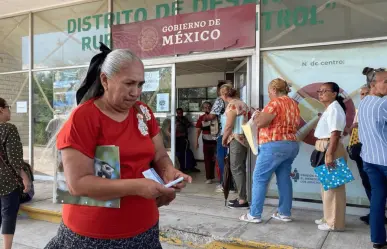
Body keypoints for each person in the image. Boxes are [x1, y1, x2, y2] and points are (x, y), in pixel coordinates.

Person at [44, 44, 191, 249]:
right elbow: (78, 184)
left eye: (140, 84)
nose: (136, 92)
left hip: (145, 226)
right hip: (94, 234)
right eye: (129, 83)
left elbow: (158, 155)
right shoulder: (84, 117)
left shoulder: (143, 112)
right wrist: (138, 186)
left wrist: (169, 172)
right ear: (105, 80)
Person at [239, 78, 300, 223]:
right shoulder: (293, 104)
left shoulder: (275, 103)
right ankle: (284, 212)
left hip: (273, 144)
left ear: (273, 90)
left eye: (269, 92)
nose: (269, 95)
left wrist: (258, 115)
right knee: (284, 178)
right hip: (291, 144)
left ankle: (254, 214)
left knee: (260, 178)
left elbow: (261, 123)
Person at [358, 67, 387, 249]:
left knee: (377, 199)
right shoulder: (383, 104)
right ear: (373, 84)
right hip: (384, 160)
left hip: (369, 158)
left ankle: (377, 240)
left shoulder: (364, 102)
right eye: (386, 81)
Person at [313, 82, 347, 231]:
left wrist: (330, 154)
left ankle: (334, 223)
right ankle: (328, 217)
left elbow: (335, 133)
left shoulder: (335, 108)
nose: (321, 93)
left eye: (325, 91)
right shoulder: (329, 108)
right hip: (325, 147)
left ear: (334, 94)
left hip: (331, 148)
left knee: (334, 188)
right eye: (319, 91)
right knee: (327, 187)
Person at [0, 98, 31, 249]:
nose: (9, 110)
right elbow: (15, 159)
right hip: (6, 182)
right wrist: (25, 177)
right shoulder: (8, 129)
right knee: (8, 215)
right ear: (1, 109)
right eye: (8, 107)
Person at [219, 83, 249, 209]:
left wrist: (224, 139)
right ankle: (242, 196)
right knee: (240, 167)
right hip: (244, 139)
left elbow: (229, 126)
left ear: (225, 95)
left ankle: (242, 200)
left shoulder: (232, 105)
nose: (221, 97)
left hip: (236, 138)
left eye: (221, 95)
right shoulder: (242, 103)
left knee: (236, 168)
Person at [203, 80, 229, 192]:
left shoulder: (220, 100)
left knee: (221, 159)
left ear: (220, 90)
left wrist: (207, 115)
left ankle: (225, 184)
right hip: (233, 134)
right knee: (230, 160)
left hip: (222, 134)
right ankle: (231, 184)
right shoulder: (234, 101)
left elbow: (212, 116)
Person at [195, 102, 216, 184]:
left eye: (209, 106)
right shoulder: (201, 118)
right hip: (206, 142)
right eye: (205, 107)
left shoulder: (215, 117)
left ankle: (217, 177)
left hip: (215, 141)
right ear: (202, 109)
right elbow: (198, 130)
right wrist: (196, 142)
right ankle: (209, 178)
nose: (207, 108)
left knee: (215, 159)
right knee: (207, 160)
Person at [175, 108, 199, 173]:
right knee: (181, 153)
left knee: (187, 152)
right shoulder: (174, 119)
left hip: (184, 138)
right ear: (177, 113)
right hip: (177, 139)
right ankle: (183, 167)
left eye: (181, 113)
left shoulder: (184, 119)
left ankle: (190, 166)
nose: (180, 114)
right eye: (179, 113)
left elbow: (188, 125)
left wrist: (184, 124)